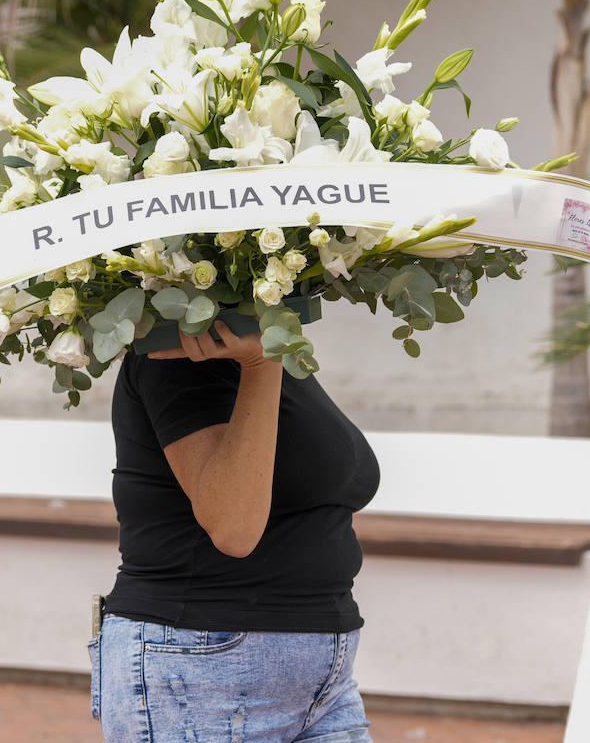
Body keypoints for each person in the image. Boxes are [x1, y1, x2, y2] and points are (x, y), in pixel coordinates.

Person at [89, 318, 381, 742]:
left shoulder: (259, 349)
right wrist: (262, 364)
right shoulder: (180, 355)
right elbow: (234, 529)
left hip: (321, 681)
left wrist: (265, 358)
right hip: (202, 673)